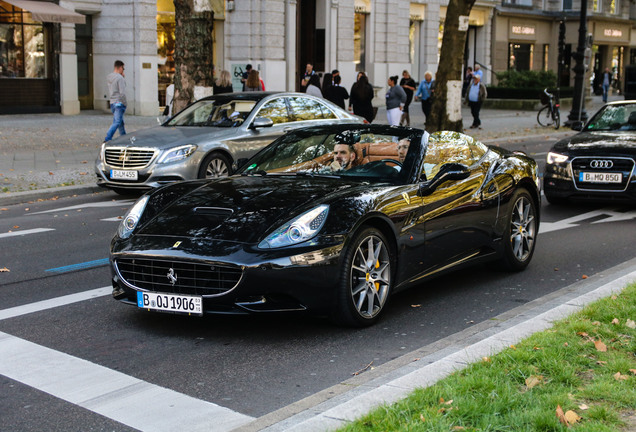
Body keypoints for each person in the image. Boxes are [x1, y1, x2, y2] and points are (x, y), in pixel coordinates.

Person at [104, 60, 127, 142]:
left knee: (120, 122)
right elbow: (122, 93)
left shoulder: (109, 77)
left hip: (112, 102)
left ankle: (124, 137)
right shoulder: (120, 78)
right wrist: (125, 103)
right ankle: (107, 138)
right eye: (123, 68)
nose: (123, 70)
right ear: (120, 67)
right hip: (119, 103)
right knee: (117, 122)